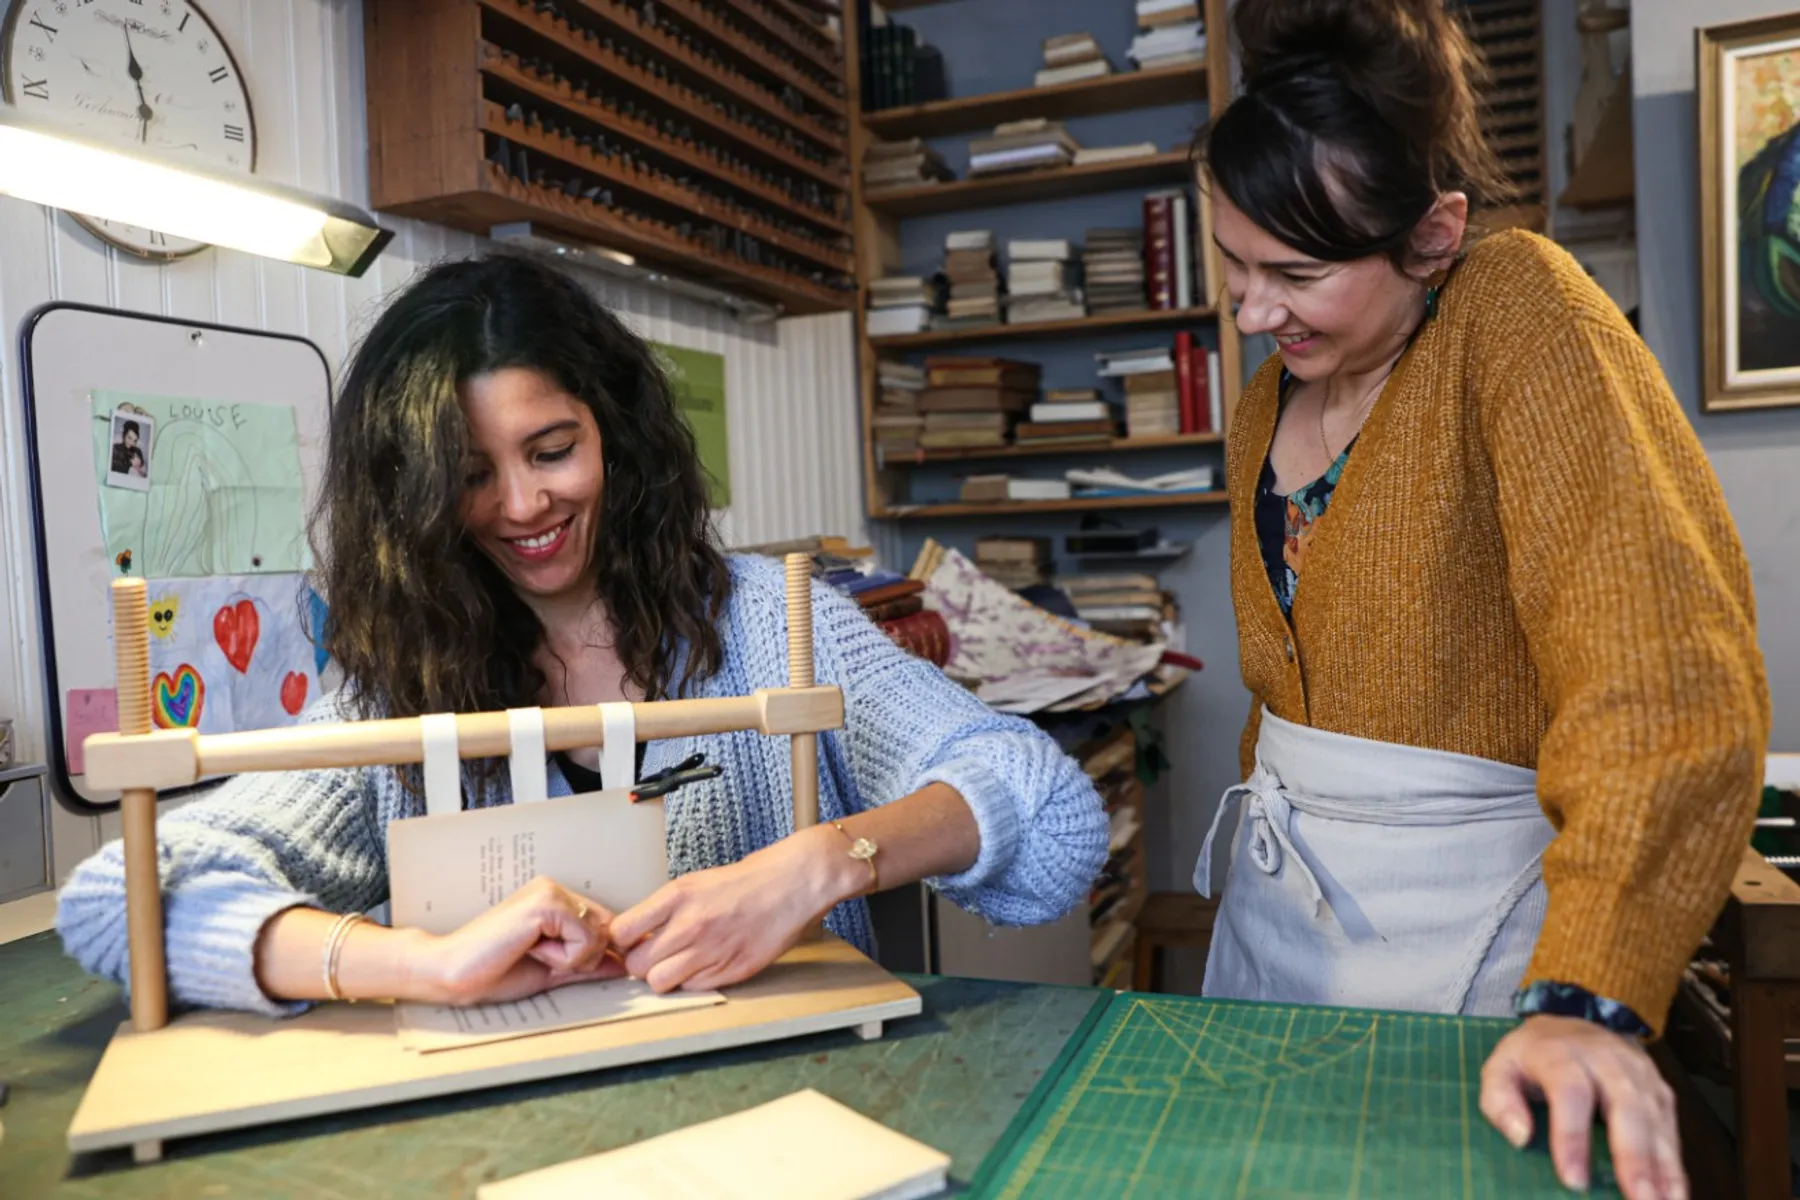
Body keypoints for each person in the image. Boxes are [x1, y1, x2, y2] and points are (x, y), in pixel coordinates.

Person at [58, 255, 1108, 1015]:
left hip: (807, 1121)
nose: (520, 504)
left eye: (551, 449)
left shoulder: (768, 628)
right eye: (469, 476)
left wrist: (817, 867)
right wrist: (422, 965)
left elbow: (1047, 809)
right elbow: (119, 899)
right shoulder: (400, 694)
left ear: (614, 430)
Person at [1195, 3, 1768, 1199]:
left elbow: (1663, 687)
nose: (1255, 312)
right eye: (1235, 264)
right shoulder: (1267, 403)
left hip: (1490, 949)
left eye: (1298, 273)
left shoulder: (1518, 316)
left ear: (1435, 233)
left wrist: (1584, 994)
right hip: (1277, 935)